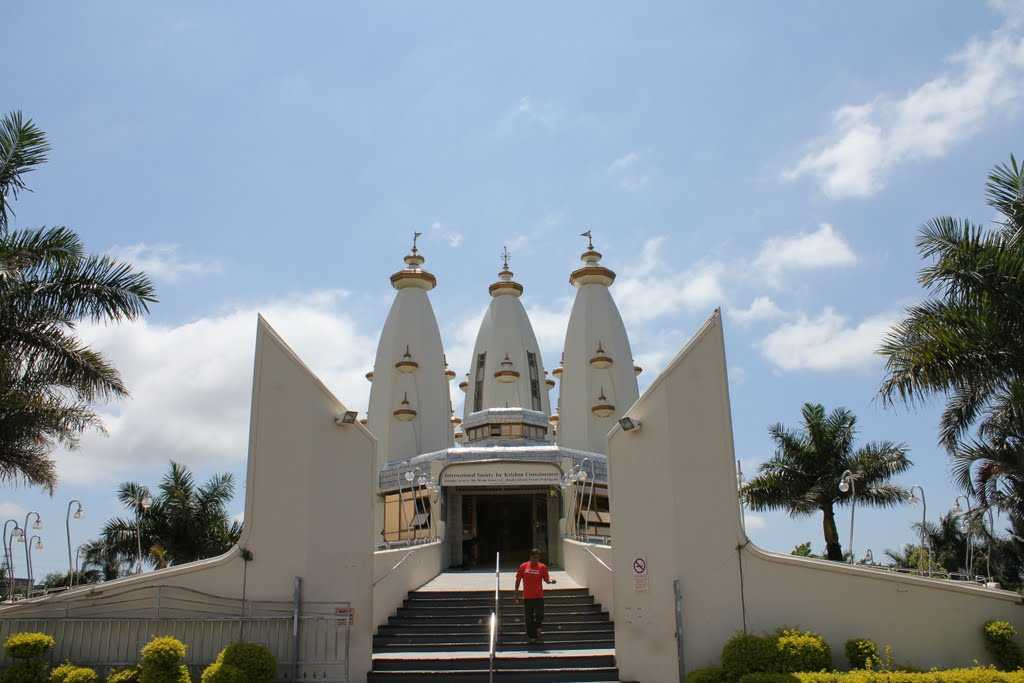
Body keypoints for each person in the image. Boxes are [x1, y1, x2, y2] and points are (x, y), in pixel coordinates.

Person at [514, 548, 556, 644]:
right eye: (534, 557)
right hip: (527, 597)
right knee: (528, 618)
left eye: (538, 557)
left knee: (539, 615)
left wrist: (551, 581)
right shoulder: (523, 566)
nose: (536, 559)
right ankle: (532, 637)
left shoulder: (542, 567)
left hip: (539, 597)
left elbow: (546, 579)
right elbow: (518, 580)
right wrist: (516, 593)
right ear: (530, 557)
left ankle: (538, 628)